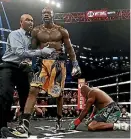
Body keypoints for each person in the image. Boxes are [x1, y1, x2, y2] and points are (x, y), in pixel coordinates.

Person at [1, 7, 81, 138]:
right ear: (42, 15)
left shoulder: (61, 30)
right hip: (42, 64)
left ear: (53, 15)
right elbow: (32, 48)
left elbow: (69, 48)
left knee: (58, 94)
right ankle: (24, 126)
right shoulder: (36, 31)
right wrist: (27, 60)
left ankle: (59, 120)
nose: (46, 15)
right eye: (44, 13)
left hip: (58, 64)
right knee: (33, 90)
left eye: (48, 13)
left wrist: (75, 64)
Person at [0, 14, 55, 137]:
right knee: (5, 95)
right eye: (27, 20)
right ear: (21, 22)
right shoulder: (15, 34)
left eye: (32, 20)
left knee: (26, 98)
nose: (31, 22)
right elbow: (19, 52)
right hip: (9, 66)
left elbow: (35, 54)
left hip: (25, 69)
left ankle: (22, 128)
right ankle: (2, 127)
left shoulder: (32, 39)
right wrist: (41, 52)